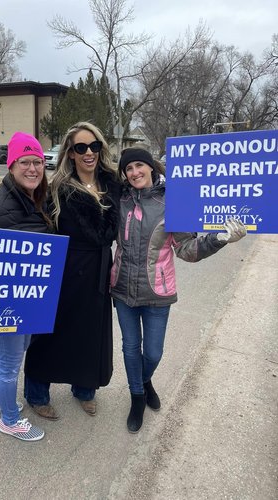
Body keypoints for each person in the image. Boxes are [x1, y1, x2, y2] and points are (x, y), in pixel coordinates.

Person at [110, 146, 247, 433]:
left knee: (154, 353)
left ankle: (144, 380)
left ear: (151, 167)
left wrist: (219, 239)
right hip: (122, 289)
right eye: (129, 169)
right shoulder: (119, 200)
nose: (134, 173)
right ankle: (137, 396)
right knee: (130, 348)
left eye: (139, 166)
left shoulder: (173, 202)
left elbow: (187, 249)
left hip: (157, 292)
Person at [24, 121, 120, 419]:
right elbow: (31, 220)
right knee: (51, 335)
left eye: (94, 146)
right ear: (71, 152)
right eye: (81, 147)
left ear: (100, 148)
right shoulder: (58, 189)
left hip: (98, 272)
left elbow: (147, 182)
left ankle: (84, 389)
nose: (88, 152)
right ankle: (37, 393)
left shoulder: (112, 182)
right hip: (66, 271)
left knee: (91, 334)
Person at [0, 131, 52, 441]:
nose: (32, 168)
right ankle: (9, 419)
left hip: (24, 294)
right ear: (11, 164)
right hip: (5, 298)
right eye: (25, 162)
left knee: (16, 351)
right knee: (9, 361)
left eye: (37, 162)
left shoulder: (33, 196)